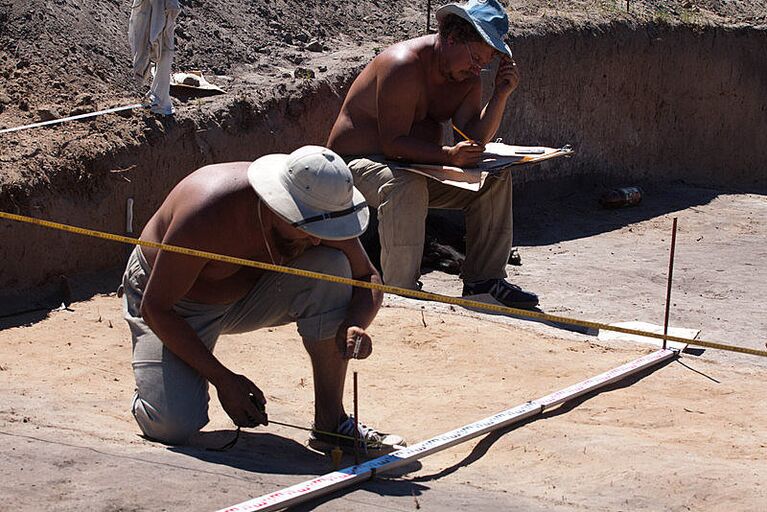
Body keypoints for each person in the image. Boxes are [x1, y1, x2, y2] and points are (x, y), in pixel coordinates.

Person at [120, 145, 404, 453]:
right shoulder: (207, 210)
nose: (315, 240)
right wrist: (224, 380)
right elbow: (156, 307)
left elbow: (368, 277)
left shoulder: (321, 208)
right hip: (173, 305)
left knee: (331, 266)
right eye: (305, 229)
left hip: (247, 295)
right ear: (276, 204)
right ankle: (152, 389)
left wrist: (354, 323)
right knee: (172, 425)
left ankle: (331, 424)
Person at [327, 0, 539, 309]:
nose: (477, 68)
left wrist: (500, 94)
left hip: (414, 165)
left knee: (493, 179)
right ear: (452, 38)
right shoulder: (403, 65)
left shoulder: (465, 77)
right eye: (476, 57)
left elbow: (475, 136)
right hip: (353, 166)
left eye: (485, 62)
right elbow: (393, 144)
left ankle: (485, 282)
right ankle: (401, 294)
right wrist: (450, 157)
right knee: (404, 186)